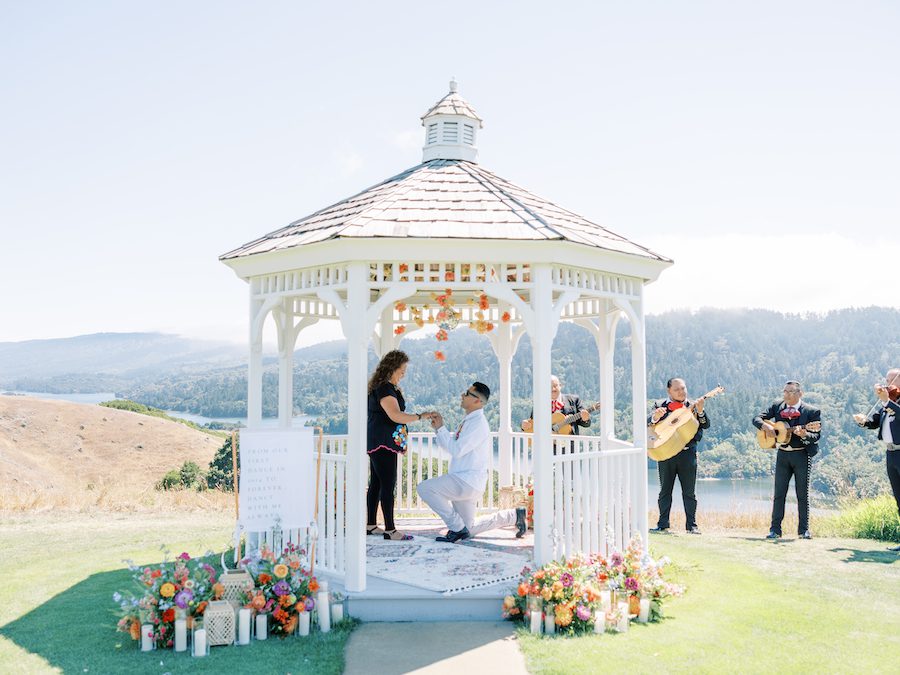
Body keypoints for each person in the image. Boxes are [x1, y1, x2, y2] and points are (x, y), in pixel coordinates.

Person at [366, 350, 432, 541]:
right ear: (392, 369)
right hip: (383, 443)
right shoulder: (385, 388)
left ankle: (371, 525)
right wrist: (421, 416)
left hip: (379, 441)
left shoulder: (384, 387)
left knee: (377, 483)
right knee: (388, 484)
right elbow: (395, 415)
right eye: (401, 370)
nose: (403, 374)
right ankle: (390, 530)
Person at [417, 382, 493, 543]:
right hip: (466, 480)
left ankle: (457, 528)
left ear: (477, 401)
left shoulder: (477, 424)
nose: (462, 395)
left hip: (466, 480)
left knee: (425, 488)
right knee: (469, 528)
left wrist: (442, 429)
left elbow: (456, 450)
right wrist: (440, 428)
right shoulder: (469, 420)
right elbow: (453, 446)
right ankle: (514, 516)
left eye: (467, 393)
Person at [753, 380, 821, 540]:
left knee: (802, 494)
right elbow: (756, 418)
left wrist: (805, 434)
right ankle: (775, 530)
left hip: (801, 455)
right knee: (779, 493)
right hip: (782, 454)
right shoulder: (777, 406)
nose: (786, 395)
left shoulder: (812, 411)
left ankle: (803, 530)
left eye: (790, 392)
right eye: (785, 391)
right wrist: (766, 427)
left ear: (800, 393)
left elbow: (816, 434)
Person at [649, 378, 709, 534]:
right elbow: (649, 424)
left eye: (683, 388)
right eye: (677, 389)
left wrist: (701, 411)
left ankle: (692, 526)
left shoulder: (693, 406)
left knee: (689, 492)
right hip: (666, 453)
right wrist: (655, 418)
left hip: (688, 454)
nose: (681, 392)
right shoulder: (659, 406)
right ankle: (663, 524)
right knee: (665, 491)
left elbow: (705, 424)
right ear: (669, 391)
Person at [854, 368, 900, 552]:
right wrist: (864, 421)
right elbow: (875, 422)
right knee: (899, 498)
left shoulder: (890, 402)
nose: (888, 383)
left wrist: (886, 400)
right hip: (891, 454)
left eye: (892, 380)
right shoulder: (886, 403)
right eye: (887, 380)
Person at [520, 375, 592, 435]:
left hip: (569, 446)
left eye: (555, 385)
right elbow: (532, 425)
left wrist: (586, 419)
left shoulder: (574, 400)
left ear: (560, 386)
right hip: (546, 447)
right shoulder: (539, 405)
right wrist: (524, 426)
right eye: (549, 386)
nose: (553, 389)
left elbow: (586, 424)